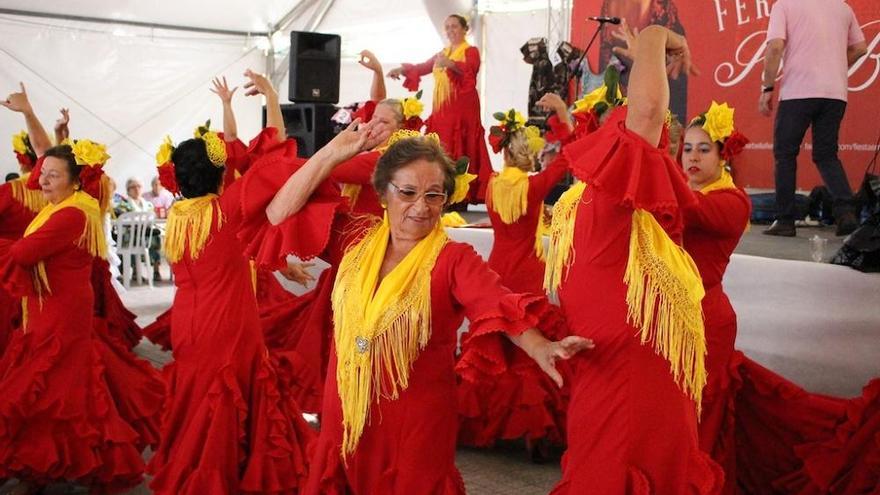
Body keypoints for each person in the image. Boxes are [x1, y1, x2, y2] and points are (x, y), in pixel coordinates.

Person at [239, 117, 592, 493]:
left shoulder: (452, 259)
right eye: (407, 193)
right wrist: (332, 153)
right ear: (383, 193)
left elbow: (495, 301)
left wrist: (540, 346)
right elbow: (279, 213)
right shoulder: (355, 237)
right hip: (346, 415)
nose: (421, 207)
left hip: (415, 427)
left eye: (434, 195)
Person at [549, 26, 724, 493]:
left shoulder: (602, 209)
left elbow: (646, 113)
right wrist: (653, 35)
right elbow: (646, 111)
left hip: (632, 374)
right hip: (624, 379)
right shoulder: (607, 202)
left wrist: (648, 57)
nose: (663, 149)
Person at [145, 69, 313, 495]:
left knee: (198, 395)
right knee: (232, 391)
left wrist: (275, 264)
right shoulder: (228, 209)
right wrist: (273, 95)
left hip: (188, 323)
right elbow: (273, 149)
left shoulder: (178, 218)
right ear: (222, 173)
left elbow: (239, 251)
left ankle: (194, 472)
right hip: (230, 324)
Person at [0, 144, 150, 494]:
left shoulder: (72, 214)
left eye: (54, 175)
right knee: (54, 387)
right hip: (52, 308)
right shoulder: (66, 207)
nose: (44, 181)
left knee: (51, 386)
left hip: (60, 314)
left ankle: (41, 468)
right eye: (42, 173)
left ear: (75, 181)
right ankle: (38, 467)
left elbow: (24, 252)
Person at [456, 110, 572, 458]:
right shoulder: (534, 187)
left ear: (503, 151)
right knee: (528, 347)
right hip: (529, 271)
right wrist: (564, 120)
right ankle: (533, 434)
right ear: (528, 153)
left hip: (498, 269)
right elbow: (568, 158)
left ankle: (485, 424)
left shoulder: (491, 184)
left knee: (496, 343)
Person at [680, 102, 752, 494]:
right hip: (672, 316)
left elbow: (689, 210)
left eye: (704, 149)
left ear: (723, 155)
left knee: (699, 419)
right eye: (688, 148)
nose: (692, 156)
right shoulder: (685, 189)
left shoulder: (733, 202)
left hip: (706, 323)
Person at [760, 0, 867, 237]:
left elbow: (775, 47)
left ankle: (785, 220)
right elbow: (860, 48)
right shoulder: (842, 7)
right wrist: (837, 66)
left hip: (798, 92)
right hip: (834, 93)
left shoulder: (784, 5)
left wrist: (767, 88)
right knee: (826, 154)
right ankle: (846, 213)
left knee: (785, 154)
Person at [387, 14, 493, 203]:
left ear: (464, 29)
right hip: (442, 110)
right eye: (447, 27)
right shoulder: (442, 52)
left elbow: (471, 70)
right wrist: (401, 70)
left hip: (462, 109)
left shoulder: (470, 50)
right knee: (441, 147)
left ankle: (463, 194)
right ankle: (443, 189)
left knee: (461, 145)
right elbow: (423, 67)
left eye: (454, 26)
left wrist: (451, 64)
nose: (450, 30)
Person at [0, 86, 51, 359]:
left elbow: (46, 152)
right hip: (49, 274)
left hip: (10, 276)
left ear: (20, 159)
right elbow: (47, 152)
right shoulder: (61, 191)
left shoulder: (9, 192)